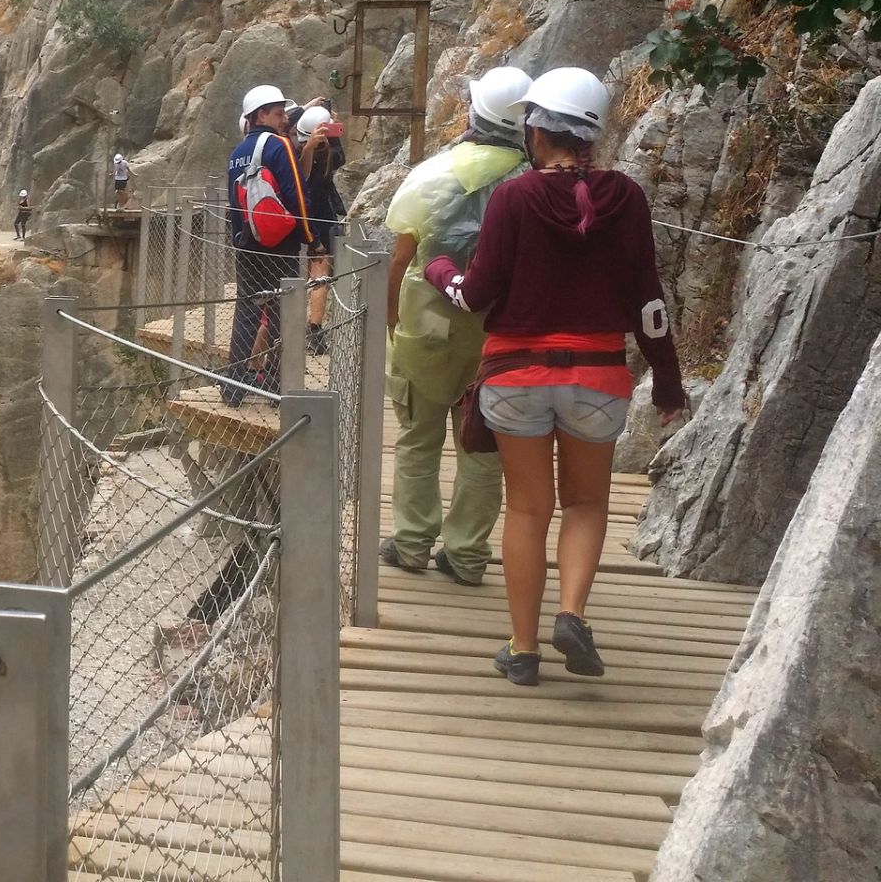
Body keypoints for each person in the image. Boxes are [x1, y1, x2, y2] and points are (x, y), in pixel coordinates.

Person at [423, 66, 688, 687]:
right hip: (597, 379)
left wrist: (440, 272)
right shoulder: (627, 198)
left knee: (527, 510)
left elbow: (478, 294)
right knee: (586, 504)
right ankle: (571, 614)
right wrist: (668, 381)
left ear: (536, 131)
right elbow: (648, 302)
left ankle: (522, 650)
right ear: (593, 135)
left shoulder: (514, 198)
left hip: (516, 376)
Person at [376, 67, 532, 588]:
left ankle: (411, 542)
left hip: (428, 327)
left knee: (418, 439)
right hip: (497, 336)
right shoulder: (531, 185)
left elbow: (402, 257)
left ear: (475, 113)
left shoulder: (435, 173)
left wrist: (393, 319)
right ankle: (466, 554)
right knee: (481, 446)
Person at [223, 84, 312, 402]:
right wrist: (310, 238)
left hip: (246, 244)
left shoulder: (237, 154)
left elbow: (234, 204)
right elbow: (297, 194)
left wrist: (239, 241)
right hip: (280, 246)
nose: (284, 119)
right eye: (277, 114)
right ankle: (276, 384)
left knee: (246, 311)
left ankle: (232, 386)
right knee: (281, 311)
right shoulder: (279, 145)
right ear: (261, 115)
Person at [295, 105, 349, 354]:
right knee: (320, 277)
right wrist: (332, 131)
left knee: (300, 276)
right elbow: (340, 155)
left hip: (299, 219)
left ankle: (292, 326)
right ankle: (314, 330)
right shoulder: (330, 157)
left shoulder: (294, 154)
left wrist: (306, 110)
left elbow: (301, 177)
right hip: (322, 220)